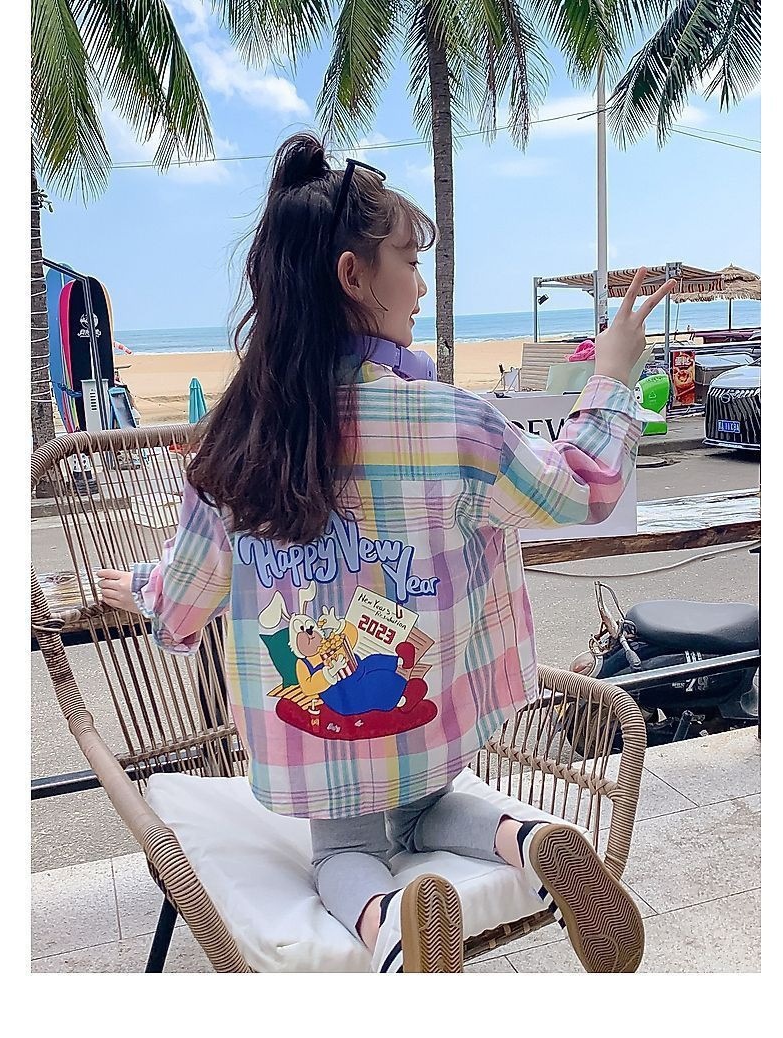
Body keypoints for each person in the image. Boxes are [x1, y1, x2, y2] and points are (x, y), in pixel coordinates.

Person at [98, 133, 674, 974]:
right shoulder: (454, 422)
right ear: (353, 275)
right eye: (409, 260)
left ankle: (389, 928)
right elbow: (582, 488)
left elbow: (188, 596)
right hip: (420, 718)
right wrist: (611, 377)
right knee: (425, 808)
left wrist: (142, 592)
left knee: (342, 852)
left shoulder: (236, 444)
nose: (422, 284)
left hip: (316, 733)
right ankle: (530, 839)